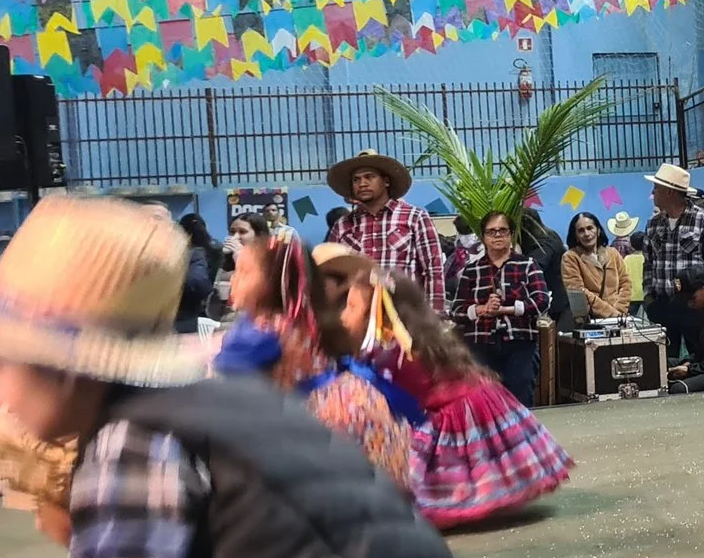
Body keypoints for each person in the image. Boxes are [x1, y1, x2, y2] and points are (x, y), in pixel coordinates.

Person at [0, 196, 515, 558]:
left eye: (4, 365)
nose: (0, 394)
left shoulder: (128, 441)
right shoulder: (203, 398)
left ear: (65, 370)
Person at [328, 254, 575, 529]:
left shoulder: (397, 353)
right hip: (466, 402)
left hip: (461, 412)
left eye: (352, 307)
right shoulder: (410, 342)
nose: (344, 314)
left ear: (380, 315)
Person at [217, 236, 424, 491]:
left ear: (277, 281)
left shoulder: (272, 327)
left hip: (324, 415)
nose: (234, 280)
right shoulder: (305, 321)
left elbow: (230, 364)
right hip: (344, 406)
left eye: (245, 272)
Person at [449, 211, 554, 403]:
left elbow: (541, 301)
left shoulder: (527, 265)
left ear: (511, 234)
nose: (497, 235)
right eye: (491, 232)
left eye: (502, 231)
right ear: (483, 237)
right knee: (484, 403)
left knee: (520, 401)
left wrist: (507, 310)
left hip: (520, 342)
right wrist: (481, 309)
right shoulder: (472, 270)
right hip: (480, 343)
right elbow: (456, 311)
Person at [327, 148, 449, 312]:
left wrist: (435, 314)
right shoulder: (343, 225)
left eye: (369, 177)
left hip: (405, 313)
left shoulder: (415, 218)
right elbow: (331, 275)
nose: (362, 184)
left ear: (386, 181)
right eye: (356, 179)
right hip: (360, 315)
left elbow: (433, 269)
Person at [643, 163, 704, 355]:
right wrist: (649, 297)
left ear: (669, 192)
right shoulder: (653, 223)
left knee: (701, 355)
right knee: (663, 358)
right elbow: (648, 263)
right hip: (662, 303)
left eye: (656, 188)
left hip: (695, 305)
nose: (653, 193)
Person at [563, 212, 633, 318]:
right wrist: (609, 312)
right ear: (575, 236)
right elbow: (578, 291)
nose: (586, 234)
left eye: (590, 228)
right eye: (581, 230)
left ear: (598, 230)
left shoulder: (613, 253)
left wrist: (619, 311)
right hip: (590, 319)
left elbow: (625, 283)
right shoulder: (571, 257)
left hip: (618, 317)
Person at [174, 214, 216, 334]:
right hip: (210, 313)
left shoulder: (189, 253)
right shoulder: (218, 251)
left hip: (186, 315)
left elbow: (198, 283)